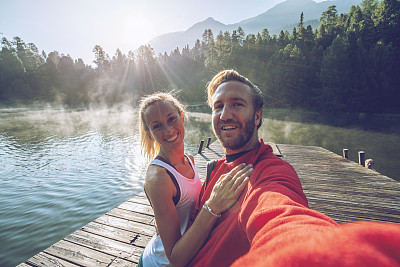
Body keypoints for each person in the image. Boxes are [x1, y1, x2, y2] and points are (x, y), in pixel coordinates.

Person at [186, 70, 400, 266]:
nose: (225, 115)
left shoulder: (271, 171)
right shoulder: (215, 168)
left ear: (258, 116)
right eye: (218, 106)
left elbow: (283, 217)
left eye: (237, 104)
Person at [138, 92, 253, 267]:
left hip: (194, 253)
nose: (168, 131)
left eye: (171, 119)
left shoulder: (189, 159)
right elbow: (175, 259)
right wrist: (213, 205)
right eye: (157, 126)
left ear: (182, 117)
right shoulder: (159, 177)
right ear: (149, 132)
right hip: (161, 263)